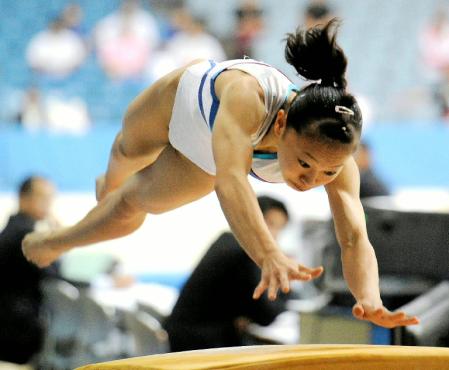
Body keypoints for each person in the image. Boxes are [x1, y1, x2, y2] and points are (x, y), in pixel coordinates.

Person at [23, 19, 419, 329]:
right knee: (127, 154)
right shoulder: (250, 97)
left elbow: (353, 237)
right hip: (182, 104)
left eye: (327, 172)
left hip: (210, 158)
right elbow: (230, 182)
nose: (312, 179)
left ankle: (54, 242)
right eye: (303, 164)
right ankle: (109, 181)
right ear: (281, 124)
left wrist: (369, 298)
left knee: (132, 208)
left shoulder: (336, 161)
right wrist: (268, 254)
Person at [165, 195, 290, 351]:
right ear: (252, 218)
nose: (274, 234)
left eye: (279, 228)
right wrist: (286, 287)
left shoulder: (226, 240)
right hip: (199, 344)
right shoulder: (244, 253)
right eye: (270, 224)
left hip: (184, 336)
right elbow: (266, 314)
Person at [0, 176, 57, 364]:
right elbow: (54, 276)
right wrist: (59, 239)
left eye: (50, 198)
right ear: (23, 198)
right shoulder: (24, 236)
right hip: (18, 331)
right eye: (43, 198)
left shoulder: (14, 228)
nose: (48, 204)